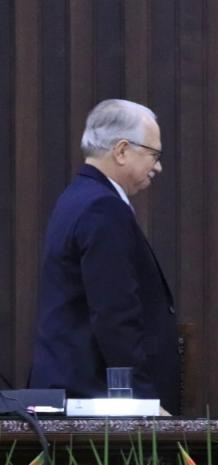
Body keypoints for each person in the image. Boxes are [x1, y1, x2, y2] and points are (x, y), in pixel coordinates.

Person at [29, 99, 180, 414]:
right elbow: (115, 314)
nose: (158, 166)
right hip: (97, 402)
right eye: (154, 154)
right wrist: (144, 403)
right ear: (122, 150)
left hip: (76, 392)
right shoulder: (102, 207)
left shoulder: (77, 198)